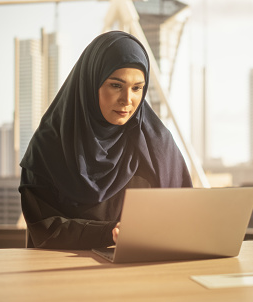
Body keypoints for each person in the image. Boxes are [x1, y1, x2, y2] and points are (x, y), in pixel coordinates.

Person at [19, 31, 192, 249]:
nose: (127, 100)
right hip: (66, 274)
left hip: (142, 273)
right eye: (116, 85)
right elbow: (44, 228)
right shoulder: (48, 147)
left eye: (137, 88)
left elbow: (184, 217)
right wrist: (108, 232)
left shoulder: (158, 145)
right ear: (92, 83)